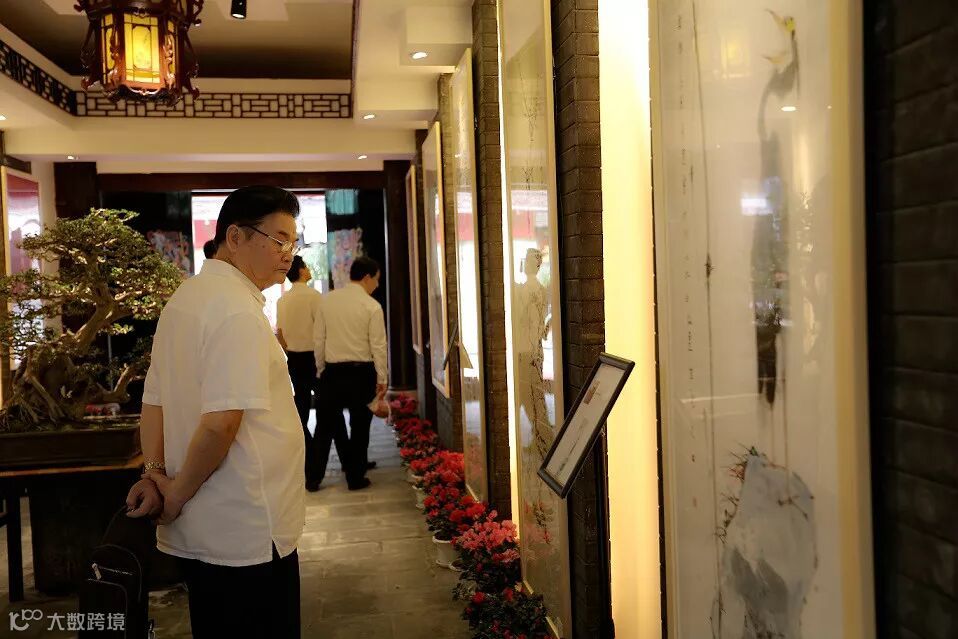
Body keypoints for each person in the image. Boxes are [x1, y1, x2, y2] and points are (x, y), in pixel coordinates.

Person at [128, 186, 306, 639]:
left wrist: (154, 473)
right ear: (235, 237)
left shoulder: (186, 297)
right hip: (246, 526)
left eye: (293, 241)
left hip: (210, 526)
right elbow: (220, 424)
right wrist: (174, 495)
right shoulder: (236, 312)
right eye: (279, 239)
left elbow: (154, 401)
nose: (288, 253)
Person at [312, 256, 387, 491]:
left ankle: (313, 479)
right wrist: (382, 378)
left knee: (323, 428)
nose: (377, 285)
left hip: (332, 372)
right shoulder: (372, 306)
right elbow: (378, 346)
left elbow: (319, 339)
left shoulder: (327, 301)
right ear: (366, 277)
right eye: (376, 279)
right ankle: (355, 478)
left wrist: (321, 369)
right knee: (360, 427)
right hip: (361, 373)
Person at [276, 255, 344, 491]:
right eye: (305, 266)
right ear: (301, 271)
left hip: (293, 360)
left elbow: (281, 335)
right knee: (331, 409)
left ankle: (309, 462)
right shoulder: (314, 297)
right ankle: (342, 460)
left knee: (301, 413)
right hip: (314, 359)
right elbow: (322, 331)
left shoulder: (282, 300)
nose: (308, 269)